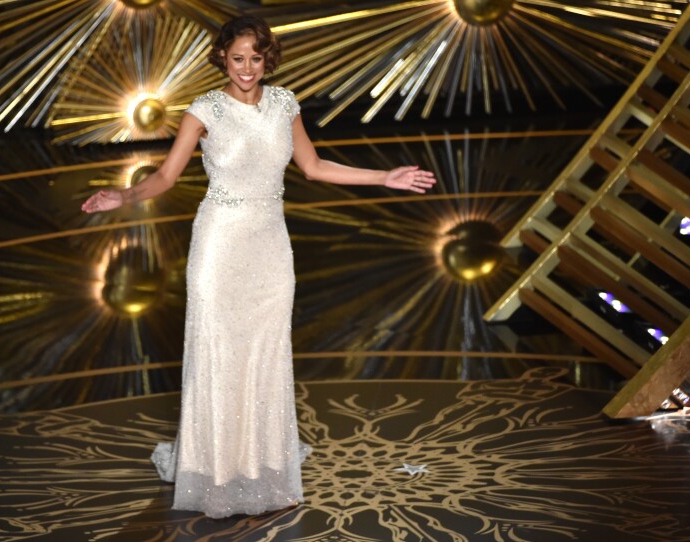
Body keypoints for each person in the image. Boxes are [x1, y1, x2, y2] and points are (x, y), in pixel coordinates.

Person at [82, 15, 436, 518]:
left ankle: (264, 465)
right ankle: (213, 468)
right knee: (219, 353)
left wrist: (384, 177)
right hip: (219, 246)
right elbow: (165, 177)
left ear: (268, 59)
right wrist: (123, 195)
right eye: (237, 58)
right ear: (222, 59)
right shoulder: (204, 110)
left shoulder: (285, 104)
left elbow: (314, 167)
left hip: (270, 247)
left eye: (255, 58)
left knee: (266, 354)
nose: (246, 68)